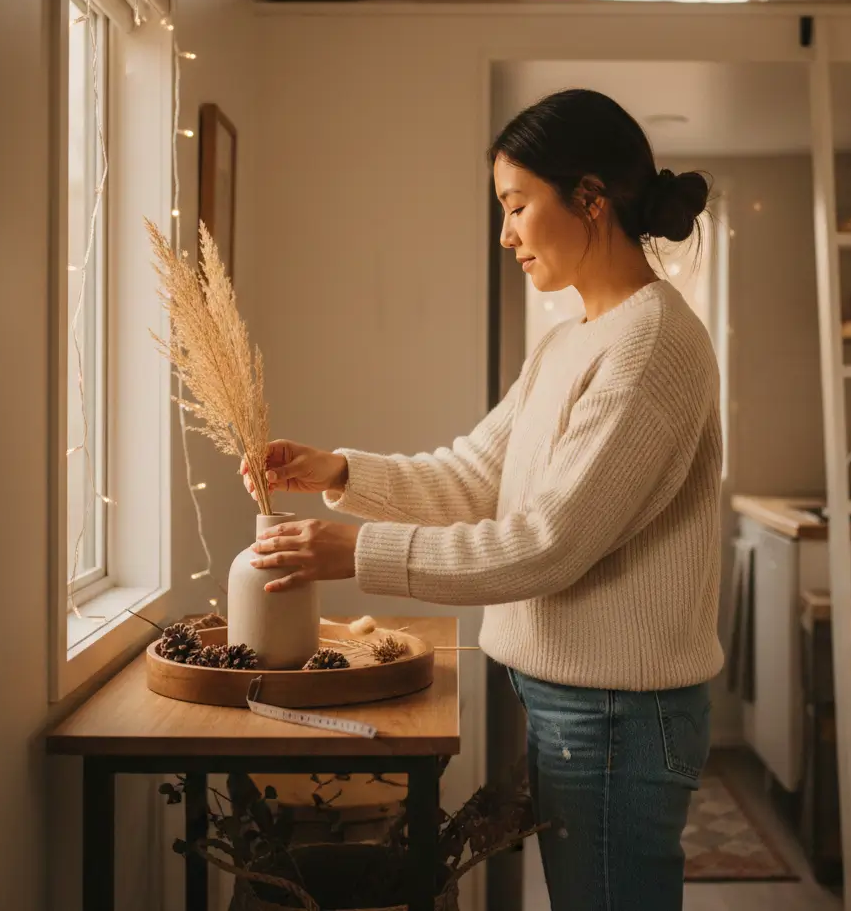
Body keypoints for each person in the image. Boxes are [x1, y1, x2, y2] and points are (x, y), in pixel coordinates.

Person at [241, 88, 724, 911]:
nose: (505, 234)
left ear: (590, 198)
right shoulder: (574, 341)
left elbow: (546, 544)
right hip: (582, 703)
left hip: (617, 715)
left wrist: (353, 553)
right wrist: (339, 473)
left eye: (516, 205)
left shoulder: (649, 347)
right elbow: (475, 475)